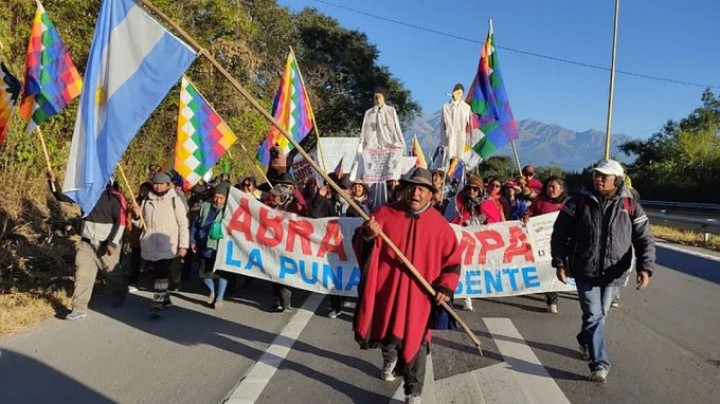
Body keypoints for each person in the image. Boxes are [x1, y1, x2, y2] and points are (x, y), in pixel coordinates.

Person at [354, 168, 461, 404]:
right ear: (403, 189)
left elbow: (452, 262)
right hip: (387, 290)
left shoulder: (440, 226)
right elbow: (360, 238)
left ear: (431, 194)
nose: (415, 192)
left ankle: (414, 392)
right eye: (411, 186)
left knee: (418, 341)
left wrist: (445, 287)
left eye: (422, 188)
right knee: (388, 335)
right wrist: (369, 235)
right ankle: (389, 359)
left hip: (419, 297)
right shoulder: (385, 213)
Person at [551, 159, 655, 383]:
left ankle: (584, 339)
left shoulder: (630, 205)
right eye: (596, 174)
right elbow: (559, 233)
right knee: (593, 315)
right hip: (583, 269)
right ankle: (600, 363)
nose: (598, 178)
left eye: (604, 176)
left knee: (600, 316)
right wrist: (560, 262)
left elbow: (644, 239)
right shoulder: (577, 202)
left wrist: (645, 268)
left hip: (613, 272)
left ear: (616, 180)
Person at [47, 170, 127, 320]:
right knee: (82, 275)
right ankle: (79, 308)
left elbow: (121, 223)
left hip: (106, 246)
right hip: (86, 244)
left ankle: (120, 292)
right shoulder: (85, 195)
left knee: (112, 274)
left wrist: (113, 243)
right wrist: (52, 181)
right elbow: (61, 196)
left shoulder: (116, 198)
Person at [130, 172, 189, 318]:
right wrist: (137, 215)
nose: (158, 186)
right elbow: (141, 224)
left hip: (169, 243)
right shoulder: (146, 200)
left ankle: (157, 304)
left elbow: (183, 223)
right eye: (155, 183)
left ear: (168, 185)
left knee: (162, 272)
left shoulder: (175, 200)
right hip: (150, 242)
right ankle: (166, 299)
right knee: (157, 273)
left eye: (161, 183)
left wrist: (183, 245)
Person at [524, 175, 568, 314]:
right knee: (547, 269)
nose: (550, 189)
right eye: (548, 186)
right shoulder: (540, 202)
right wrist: (526, 217)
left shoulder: (568, 204)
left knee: (558, 269)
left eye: (553, 187)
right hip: (542, 243)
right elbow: (529, 212)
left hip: (561, 243)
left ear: (561, 189)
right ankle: (551, 299)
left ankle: (553, 299)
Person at [444, 174, 486, 312]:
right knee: (461, 267)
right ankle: (463, 295)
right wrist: (462, 222)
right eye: (469, 188)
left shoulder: (488, 203)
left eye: (475, 189)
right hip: (462, 240)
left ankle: (469, 294)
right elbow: (449, 220)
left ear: (480, 190)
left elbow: (496, 222)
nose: (472, 192)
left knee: (473, 268)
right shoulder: (458, 202)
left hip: (480, 242)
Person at [190, 182, 232, 308]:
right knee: (204, 274)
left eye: (221, 198)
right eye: (216, 196)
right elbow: (195, 225)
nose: (217, 200)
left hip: (221, 247)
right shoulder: (205, 206)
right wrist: (193, 240)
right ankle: (212, 292)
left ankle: (220, 298)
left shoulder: (229, 210)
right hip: (204, 246)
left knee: (222, 274)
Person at [359, 88, 406, 152]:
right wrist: (360, 146)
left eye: (379, 97)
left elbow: (397, 127)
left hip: (389, 146)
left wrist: (402, 143)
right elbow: (363, 129)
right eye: (375, 97)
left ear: (383, 98)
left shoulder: (390, 111)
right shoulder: (368, 113)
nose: (377, 99)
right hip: (372, 148)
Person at [126, 182, 152, 292]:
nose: (143, 192)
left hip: (148, 235)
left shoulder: (152, 203)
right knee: (135, 258)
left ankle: (148, 270)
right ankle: (133, 280)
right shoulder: (135, 202)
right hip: (136, 236)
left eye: (146, 190)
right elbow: (130, 216)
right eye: (142, 189)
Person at [440, 83, 473, 161]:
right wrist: (443, 142)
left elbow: (470, 127)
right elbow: (443, 126)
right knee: (448, 161)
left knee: (460, 162)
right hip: (449, 139)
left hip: (461, 139)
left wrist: (469, 144)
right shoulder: (445, 107)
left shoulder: (467, 108)